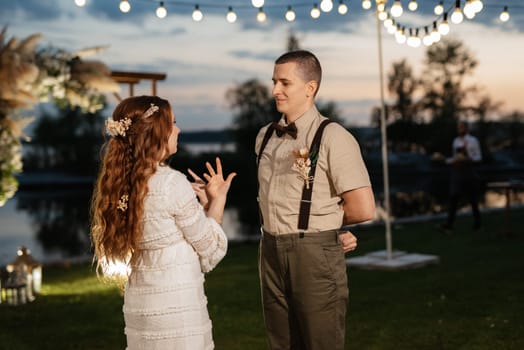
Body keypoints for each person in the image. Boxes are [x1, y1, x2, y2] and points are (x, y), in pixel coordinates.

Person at [90, 95, 236, 350]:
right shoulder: (171, 183)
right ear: (157, 133)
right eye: (173, 123)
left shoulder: (122, 182)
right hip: (175, 310)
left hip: (142, 306)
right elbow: (211, 251)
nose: (178, 130)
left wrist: (198, 209)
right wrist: (217, 202)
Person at [255, 50, 376, 350]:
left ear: (310, 88)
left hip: (313, 255)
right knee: (280, 342)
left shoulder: (335, 137)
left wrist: (327, 225)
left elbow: (363, 208)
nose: (275, 90)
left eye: (285, 83)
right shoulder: (264, 136)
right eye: (274, 82)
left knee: (320, 342)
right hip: (269, 248)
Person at [440, 120, 483, 234]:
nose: (459, 130)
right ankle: (449, 223)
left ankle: (477, 223)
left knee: (472, 198)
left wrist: (470, 159)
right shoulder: (455, 141)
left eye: (462, 127)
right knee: (453, 197)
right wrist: (445, 160)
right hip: (457, 172)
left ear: (466, 128)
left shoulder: (473, 141)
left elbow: (478, 157)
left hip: (469, 171)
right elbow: (455, 157)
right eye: (458, 128)